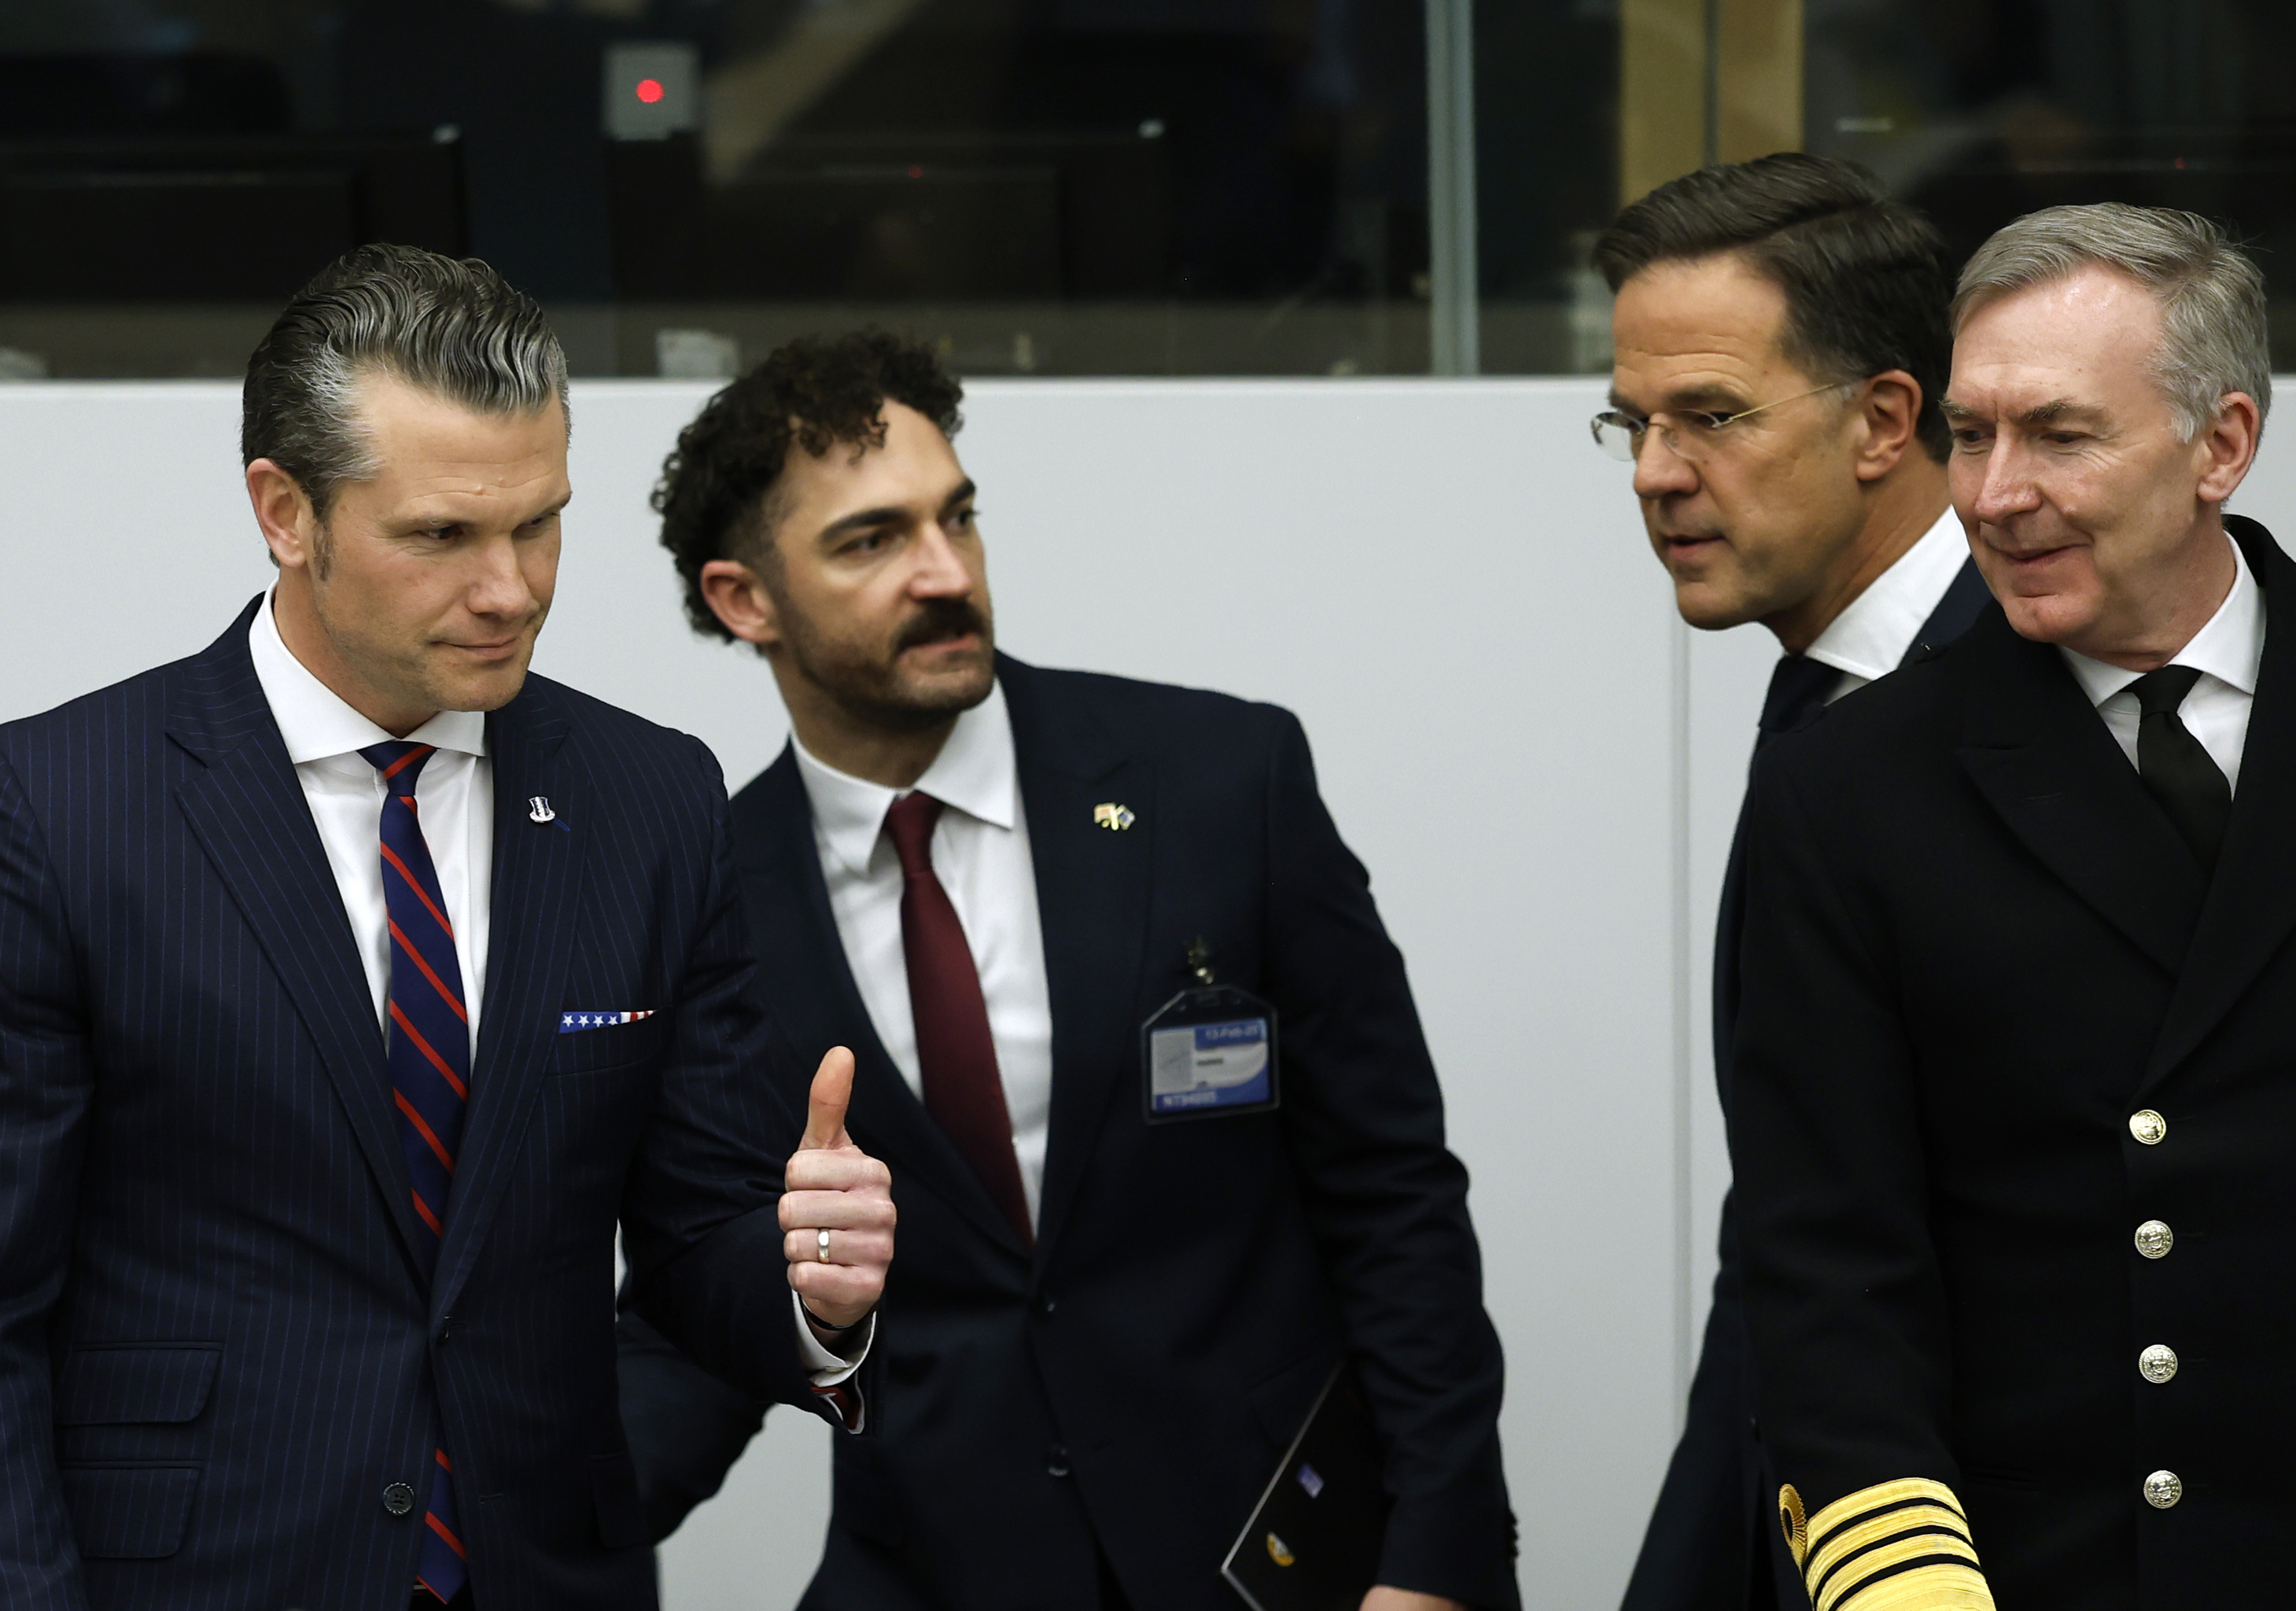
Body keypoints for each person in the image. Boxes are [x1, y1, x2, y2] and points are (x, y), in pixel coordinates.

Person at [0, 245, 895, 1611]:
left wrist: (813, 1295)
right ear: (285, 512)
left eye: (540, 523)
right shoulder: (60, 806)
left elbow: (697, 1229)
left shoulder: (649, 799)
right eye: (442, 536)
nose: (513, 589)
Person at [617, 330, 1520, 1611]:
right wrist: (479, 1546)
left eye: (958, 518)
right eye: (870, 542)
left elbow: (1394, 1200)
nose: (945, 574)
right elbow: (700, 1313)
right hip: (939, 1567)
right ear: (743, 600)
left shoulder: (1219, 783)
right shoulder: (708, 900)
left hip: (1277, 1556)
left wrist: (1439, 1560)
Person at [1730, 202, 2296, 1607]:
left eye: (2059, 434)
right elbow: (1828, 1268)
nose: (1992, 493)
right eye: (1970, 436)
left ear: (2219, 444)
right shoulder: (1856, 786)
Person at [1595, 153, 1988, 1611]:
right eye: (1629, 423)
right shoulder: (1823, 693)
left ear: (1888, 418)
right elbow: (1789, 1245)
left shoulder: (2024, 712)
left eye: (1710, 416)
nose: (1653, 472)